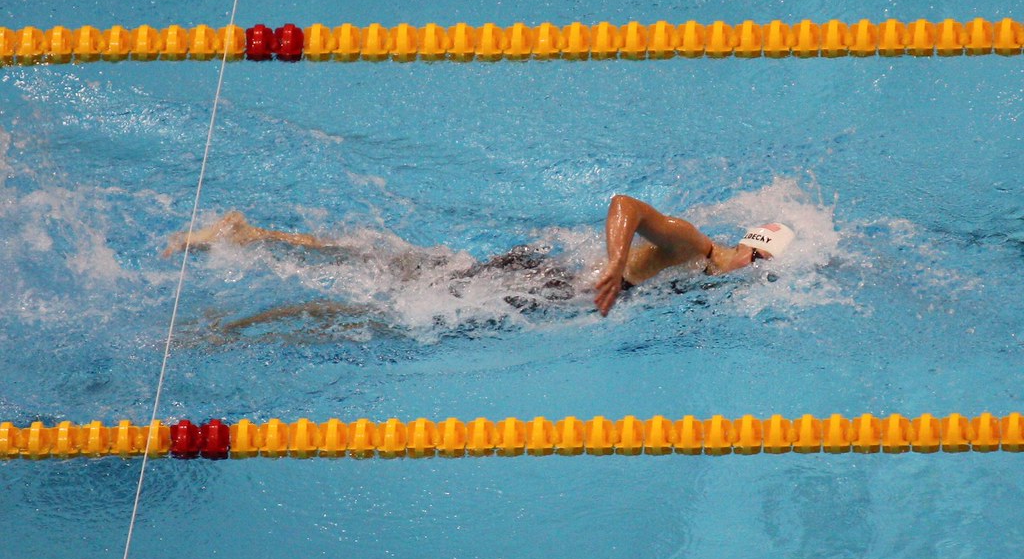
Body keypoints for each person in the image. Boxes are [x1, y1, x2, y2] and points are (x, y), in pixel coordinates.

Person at [163, 196, 795, 318]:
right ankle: (240, 327)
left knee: (397, 270)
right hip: (540, 288)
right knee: (385, 314)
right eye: (757, 267)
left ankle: (253, 236)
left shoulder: (708, 273)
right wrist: (611, 266)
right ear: (757, 258)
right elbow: (624, 203)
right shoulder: (695, 246)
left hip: (538, 282)